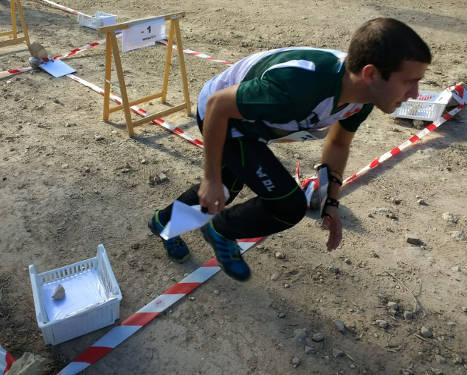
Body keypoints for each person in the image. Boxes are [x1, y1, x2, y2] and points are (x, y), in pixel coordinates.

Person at [148, 17, 431, 281]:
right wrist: (210, 177)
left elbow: (338, 143)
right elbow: (217, 106)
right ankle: (220, 230)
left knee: (227, 186)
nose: (416, 94)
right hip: (222, 115)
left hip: (254, 119)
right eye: (409, 81)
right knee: (287, 204)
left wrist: (331, 202)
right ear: (371, 73)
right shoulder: (300, 86)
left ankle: (164, 223)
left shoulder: (363, 95)